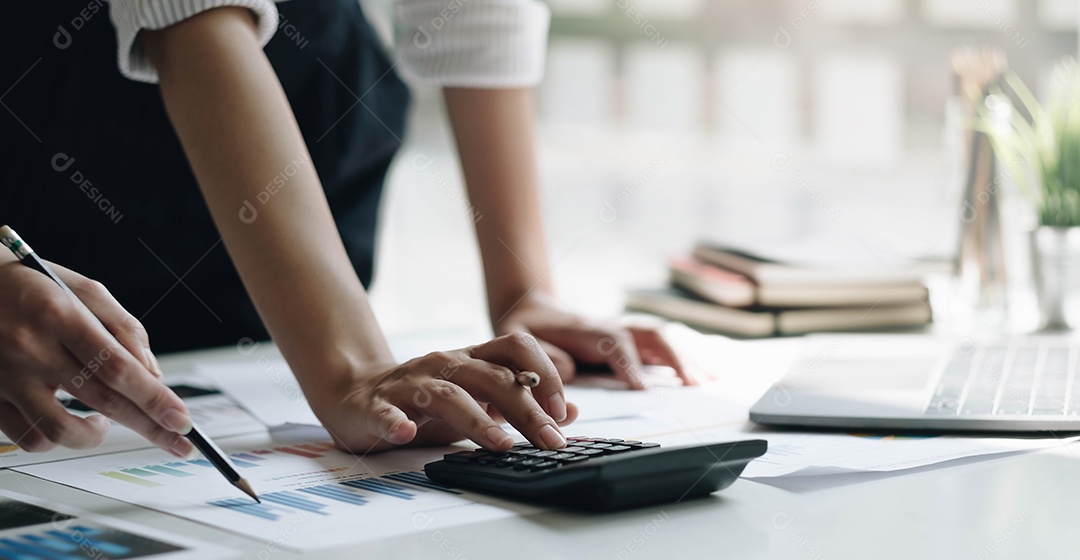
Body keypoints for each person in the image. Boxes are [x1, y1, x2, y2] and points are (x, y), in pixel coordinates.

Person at [0, 0, 693, 460]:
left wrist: (523, 289)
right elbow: (189, 12)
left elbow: (475, 12)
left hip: (296, 136)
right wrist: (349, 368)